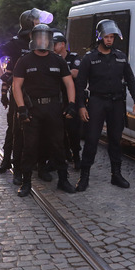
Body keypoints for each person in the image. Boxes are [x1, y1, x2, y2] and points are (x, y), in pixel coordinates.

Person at [11, 24, 78, 197]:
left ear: (49, 39)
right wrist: (21, 108)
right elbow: (16, 85)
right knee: (30, 146)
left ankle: (63, 180)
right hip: (33, 109)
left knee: (58, 145)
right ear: (34, 38)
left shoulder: (58, 60)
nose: (42, 40)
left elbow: (69, 82)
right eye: (39, 36)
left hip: (53, 108)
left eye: (45, 37)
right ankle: (26, 183)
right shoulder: (25, 60)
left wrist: (71, 103)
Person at [74, 19, 135, 192]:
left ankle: (116, 175)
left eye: (112, 37)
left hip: (116, 103)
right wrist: (81, 106)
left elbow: (130, 80)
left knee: (115, 140)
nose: (109, 40)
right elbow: (80, 85)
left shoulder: (120, 57)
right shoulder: (89, 58)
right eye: (106, 37)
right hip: (96, 102)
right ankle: (84, 176)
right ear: (100, 37)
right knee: (91, 139)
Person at [0, 8, 53, 185]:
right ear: (28, 23)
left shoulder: (40, 40)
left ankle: (38, 165)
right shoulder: (16, 43)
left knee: (40, 131)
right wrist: (3, 76)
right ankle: (9, 162)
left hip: (37, 93)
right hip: (19, 94)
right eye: (35, 21)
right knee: (14, 129)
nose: (39, 23)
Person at [53, 32, 82, 169]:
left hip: (71, 97)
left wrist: (60, 71)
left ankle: (76, 156)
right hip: (57, 98)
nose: (52, 46)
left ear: (62, 44)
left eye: (55, 44)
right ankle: (65, 155)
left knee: (73, 130)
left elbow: (76, 72)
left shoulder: (73, 57)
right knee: (59, 130)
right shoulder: (52, 58)